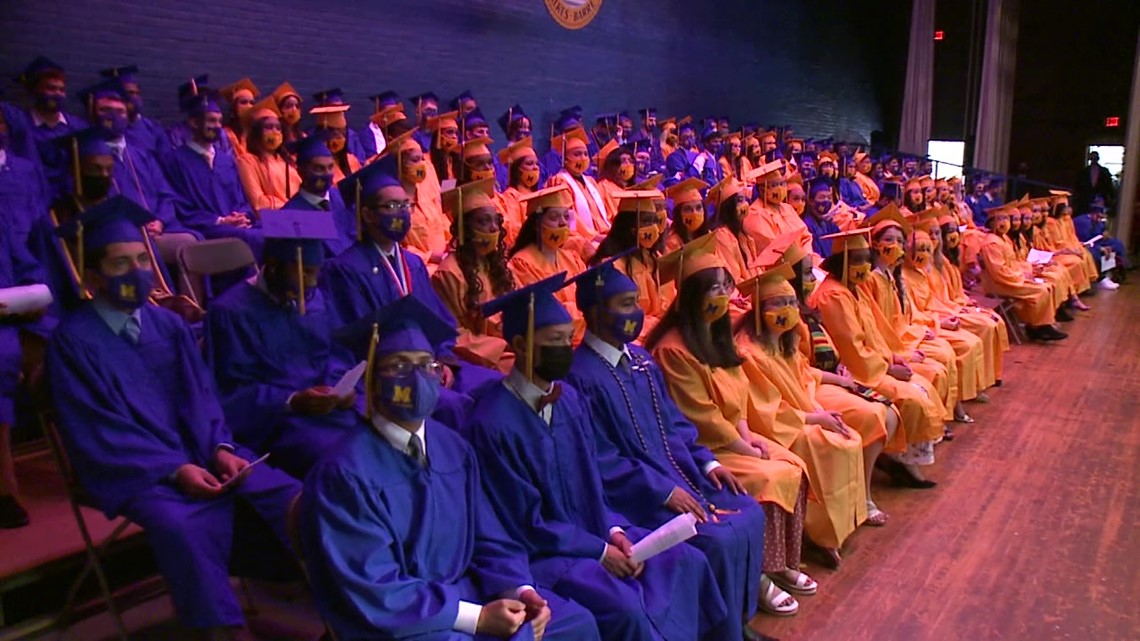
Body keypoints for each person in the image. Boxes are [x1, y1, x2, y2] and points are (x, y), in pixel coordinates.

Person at [46, 196, 300, 640]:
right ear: (91, 277)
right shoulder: (73, 343)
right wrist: (174, 468)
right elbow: (99, 431)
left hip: (201, 452)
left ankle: (334, 603)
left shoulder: (167, 325)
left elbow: (203, 399)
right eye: (120, 263)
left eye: (143, 259)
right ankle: (223, 631)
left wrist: (220, 449)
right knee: (182, 526)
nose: (137, 271)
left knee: (287, 494)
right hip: (137, 470)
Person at [301, 294, 600, 641]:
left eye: (426, 364)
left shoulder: (453, 448)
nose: (416, 378)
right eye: (399, 365)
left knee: (574, 623)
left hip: (467, 594)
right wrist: (475, 617)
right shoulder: (344, 474)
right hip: (402, 620)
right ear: (372, 380)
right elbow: (375, 587)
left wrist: (519, 589)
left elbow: (490, 536)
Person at [470, 274, 731, 640]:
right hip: (548, 554)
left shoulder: (569, 400)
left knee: (688, 561)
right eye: (554, 341)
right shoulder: (493, 422)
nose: (566, 348)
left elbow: (593, 484)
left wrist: (615, 532)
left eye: (568, 339)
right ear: (520, 345)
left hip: (596, 533)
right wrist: (599, 550)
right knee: (627, 607)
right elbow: (524, 521)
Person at [564, 256, 768, 640]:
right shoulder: (580, 377)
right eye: (625, 304)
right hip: (636, 497)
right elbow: (600, 459)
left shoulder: (641, 361)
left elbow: (674, 423)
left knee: (749, 512)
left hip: (685, 475)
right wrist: (663, 491)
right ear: (595, 312)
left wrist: (708, 464)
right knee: (716, 539)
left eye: (636, 302)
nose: (636, 312)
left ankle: (737, 623)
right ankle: (720, 634)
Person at [644, 235, 814, 617]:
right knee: (771, 477)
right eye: (713, 289)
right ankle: (759, 576)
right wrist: (742, 447)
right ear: (691, 296)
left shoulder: (718, 335)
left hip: (733, 438)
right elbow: (700, 415)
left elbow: (738, 393)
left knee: (793, 464)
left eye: (725, 287)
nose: (722, 296)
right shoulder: (673, 348)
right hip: (702, 449)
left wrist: (749, 436)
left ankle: (782, 562)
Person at [321, 158, 500, 424]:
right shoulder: (345, 270)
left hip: (429, 363)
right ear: (368, 214)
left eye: (405, 205)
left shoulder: (413, 264)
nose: (401, 213)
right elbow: (353, 339)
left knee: (496, 386)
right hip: (391, 373)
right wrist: (416, 367)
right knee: (456, 407)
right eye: (392, 206)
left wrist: (442, 360)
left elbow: (436, 321)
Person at [757, 231, 897, 526]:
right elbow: (800, 372)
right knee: (868, 419)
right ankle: (845, 511)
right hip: (805, 395)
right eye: (807, 273)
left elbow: (816, 360)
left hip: (815, 384)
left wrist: (843, 374)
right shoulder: (781, 326)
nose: (814, 279)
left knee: (886, 411)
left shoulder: (805, 309)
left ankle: (860, 498)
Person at [734, 263, 869, 565]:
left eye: (791, 302)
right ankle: (819, 534)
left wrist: (825, 400)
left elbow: (804, 376)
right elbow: (767, 411)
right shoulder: (748, 352)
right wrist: (814, 418)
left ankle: (840, 528)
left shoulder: (786, 339)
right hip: (776, 428)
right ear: (759, 310)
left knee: (848, 436)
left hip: (802, 413)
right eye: (777, 303)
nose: (787, 309)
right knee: (826, 445)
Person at [206, 209, 357, 478]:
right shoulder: (230, 312)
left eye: (316, 273)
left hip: (327, 411)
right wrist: (291, 401)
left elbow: (336, 356)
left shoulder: (316, 298)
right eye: (304, 273)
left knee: (382, 435)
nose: (311, 283)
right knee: (338, 459)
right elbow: (230, 392)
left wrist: (341, 389)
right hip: (276, 422)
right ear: (273, 265)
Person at [810, 227, 946, 487]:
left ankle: (901, 458)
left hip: (874, 364)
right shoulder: (834, 294)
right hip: (856, 371)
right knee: (912, 397)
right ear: (842, 262)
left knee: (923, 385)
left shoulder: (855, 289)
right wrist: (887, 368)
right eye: (856, 260)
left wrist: (893, 357)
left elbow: (876, 333)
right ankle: (900, 461)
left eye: (865, 259)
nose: (863, 265)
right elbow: (851, 346)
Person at [78, 80, 199, 271]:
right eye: (105, 110)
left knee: (194, 245)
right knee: (183, 245)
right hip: (119, 234)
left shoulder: (141, 154)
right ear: (93, 114)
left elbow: (165, 194)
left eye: (120, 112)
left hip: (157, 228)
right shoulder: (87, 158)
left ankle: (187, 293)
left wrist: (160, 221)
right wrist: (134, 227)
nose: (113, 117)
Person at [862, 208, 963, 429]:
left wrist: (923, 328)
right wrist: (902, 353)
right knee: (937, 367)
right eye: (889, 240)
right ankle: (933, 426)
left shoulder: (891, 275)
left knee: (944, 356)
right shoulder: (870, 280)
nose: (895, 245)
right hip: (891, 347)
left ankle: (940, 421)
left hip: (904, 338)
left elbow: (905, 316)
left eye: (900, 241)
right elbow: (878, 328)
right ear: (875, 244)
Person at [163, 91, 263, 258]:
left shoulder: (226, 160)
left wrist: (242, 216)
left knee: (273, 232)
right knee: (252, 238)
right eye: (211, 120)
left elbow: (241, 199)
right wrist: (221, 221)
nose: (217, 126)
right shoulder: (177, 160)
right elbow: (180, 206)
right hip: (206, 227)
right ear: (194, 122)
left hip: (235, 226)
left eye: (219, 121)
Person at [903, 222, 1001, 393]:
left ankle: (981, 383)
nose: (924, 253)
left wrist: (957, 307)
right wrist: (941, 320)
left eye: (927, 249)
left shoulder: (925, 271)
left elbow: (936, 301)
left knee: (984, 327)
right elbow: (912, 315)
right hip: (923, 327)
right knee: (971, 339)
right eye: (920, 249)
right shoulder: (903, 278)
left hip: (938, 316)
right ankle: (963, 393)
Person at [431, 178, 516, 373]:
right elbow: (454, 334)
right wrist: (502, 347)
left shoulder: (497, 264)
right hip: (479, 358)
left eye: (496, 221)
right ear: (464, 228)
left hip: (510, 345)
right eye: (484, 221)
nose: (493, 228)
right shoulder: (449, 274)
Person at [0, 186, 48, 528]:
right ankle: (4, 491)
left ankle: (93, 464)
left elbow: (27, 265)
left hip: (16, 318)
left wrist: (33, 292)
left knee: (75, 351)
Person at [507, 185, 587, 338]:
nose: (563, 223)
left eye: (565, 216)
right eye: (554, 217)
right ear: (536, 225)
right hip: (552, 339)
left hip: (583, 335)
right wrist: (581, 311)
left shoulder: (572, 259)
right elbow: (544, 311)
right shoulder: (521, 264)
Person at [978, 204, 1068, 340]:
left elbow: (1012, 263)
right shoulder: (992, 243)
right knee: (1041, 290)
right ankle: (1039, 327)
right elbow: (999, 272)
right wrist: (1022, 276)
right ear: (991, 223)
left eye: (1006, 219)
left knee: (1045, 285)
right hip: (999, 283)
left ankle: (1037, 325)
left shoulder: (1004, 238)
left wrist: (1028, 270)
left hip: (1011, 278)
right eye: (999, 219)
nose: (1004, 223)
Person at [590, 192, 673, 340]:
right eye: (646, 222)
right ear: (628, 225)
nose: (653, 228)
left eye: (655, 222)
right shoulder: (611, 267)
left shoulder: (653, 258)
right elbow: (616, 316)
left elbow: (666, 302)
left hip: (658, 330)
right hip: (629, 335)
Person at [17, 56, 84, 199]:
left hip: (72, 200)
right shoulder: (21, 126)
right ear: (35, 90)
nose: (58, 94)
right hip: (34, 197)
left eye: (61, 90)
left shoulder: (77, 127)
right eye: (51, 88)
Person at [282, 136, 355, 257]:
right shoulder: (292, 214)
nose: (327, 174)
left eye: (330, 167)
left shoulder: (343, 197)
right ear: (301, 171)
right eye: (319, 168)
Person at [546, 127, 609, 259]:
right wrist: (594, 236)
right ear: (565, 159)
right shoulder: (560, 181)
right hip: (582, 237)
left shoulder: (591, 181)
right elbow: (569, 215)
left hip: (602, 233)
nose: (583, 158)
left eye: (585, 154)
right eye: (577, 154)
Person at [236, 97, 300, 212]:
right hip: (272, 218)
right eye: (268, 127)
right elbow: (258, 201)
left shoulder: (287, 162)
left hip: (299, 216)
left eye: (278, 128)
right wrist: (290, 208)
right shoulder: (247, 161)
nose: (274, 132)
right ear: (257, 132)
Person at [98, 65, 167, 161]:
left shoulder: (153, 129)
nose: (135, 98)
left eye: (137, 93)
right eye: (130, 93)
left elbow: (165, 160)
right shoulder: (110, 129)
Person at [746, 160, 814, 256]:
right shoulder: (755, 214)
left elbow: (806, 236)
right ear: (762, 189)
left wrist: (807, 254)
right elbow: (772, 248)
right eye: (774, 185)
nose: (780, 188)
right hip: (782, 262)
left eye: (782, 184)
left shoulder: (788, 208)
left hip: (803, 258)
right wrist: (799, 258)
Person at [499, 136, 542, 247]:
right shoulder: (510, 196)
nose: (535, 167)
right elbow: (514, 231)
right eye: (529, 163)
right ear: (517, 169)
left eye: (536, 164)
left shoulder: (537, 194)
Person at [219, 77, 259, 157]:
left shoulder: (256, 136)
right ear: (234, 107)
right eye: (243, 102)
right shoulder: (224, 134)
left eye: (252, 103)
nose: (249, 106)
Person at [595, 140, 634, 218]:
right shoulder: (604, 186)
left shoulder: (635, 186)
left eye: (630, 161)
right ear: (613, 165)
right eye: (623, 161)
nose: (628, 164)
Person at [1074, 150, 1116, 215]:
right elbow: (1079, 185)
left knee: (1099, 214)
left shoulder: (1104, 171)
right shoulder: (1084, 171)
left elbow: (1109, 185)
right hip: (1086, 198)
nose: (1093, 159)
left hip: (1100, 197)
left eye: (1095, 158)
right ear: (1090, 158)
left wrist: (1111, 197)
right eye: (1092, 158)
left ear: (1098, 159)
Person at [271, 82, 305, 147]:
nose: (294, 110)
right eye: (289, 106)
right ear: (279, 109)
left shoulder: (302, 135)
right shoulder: (275, 136)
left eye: (297, 106)